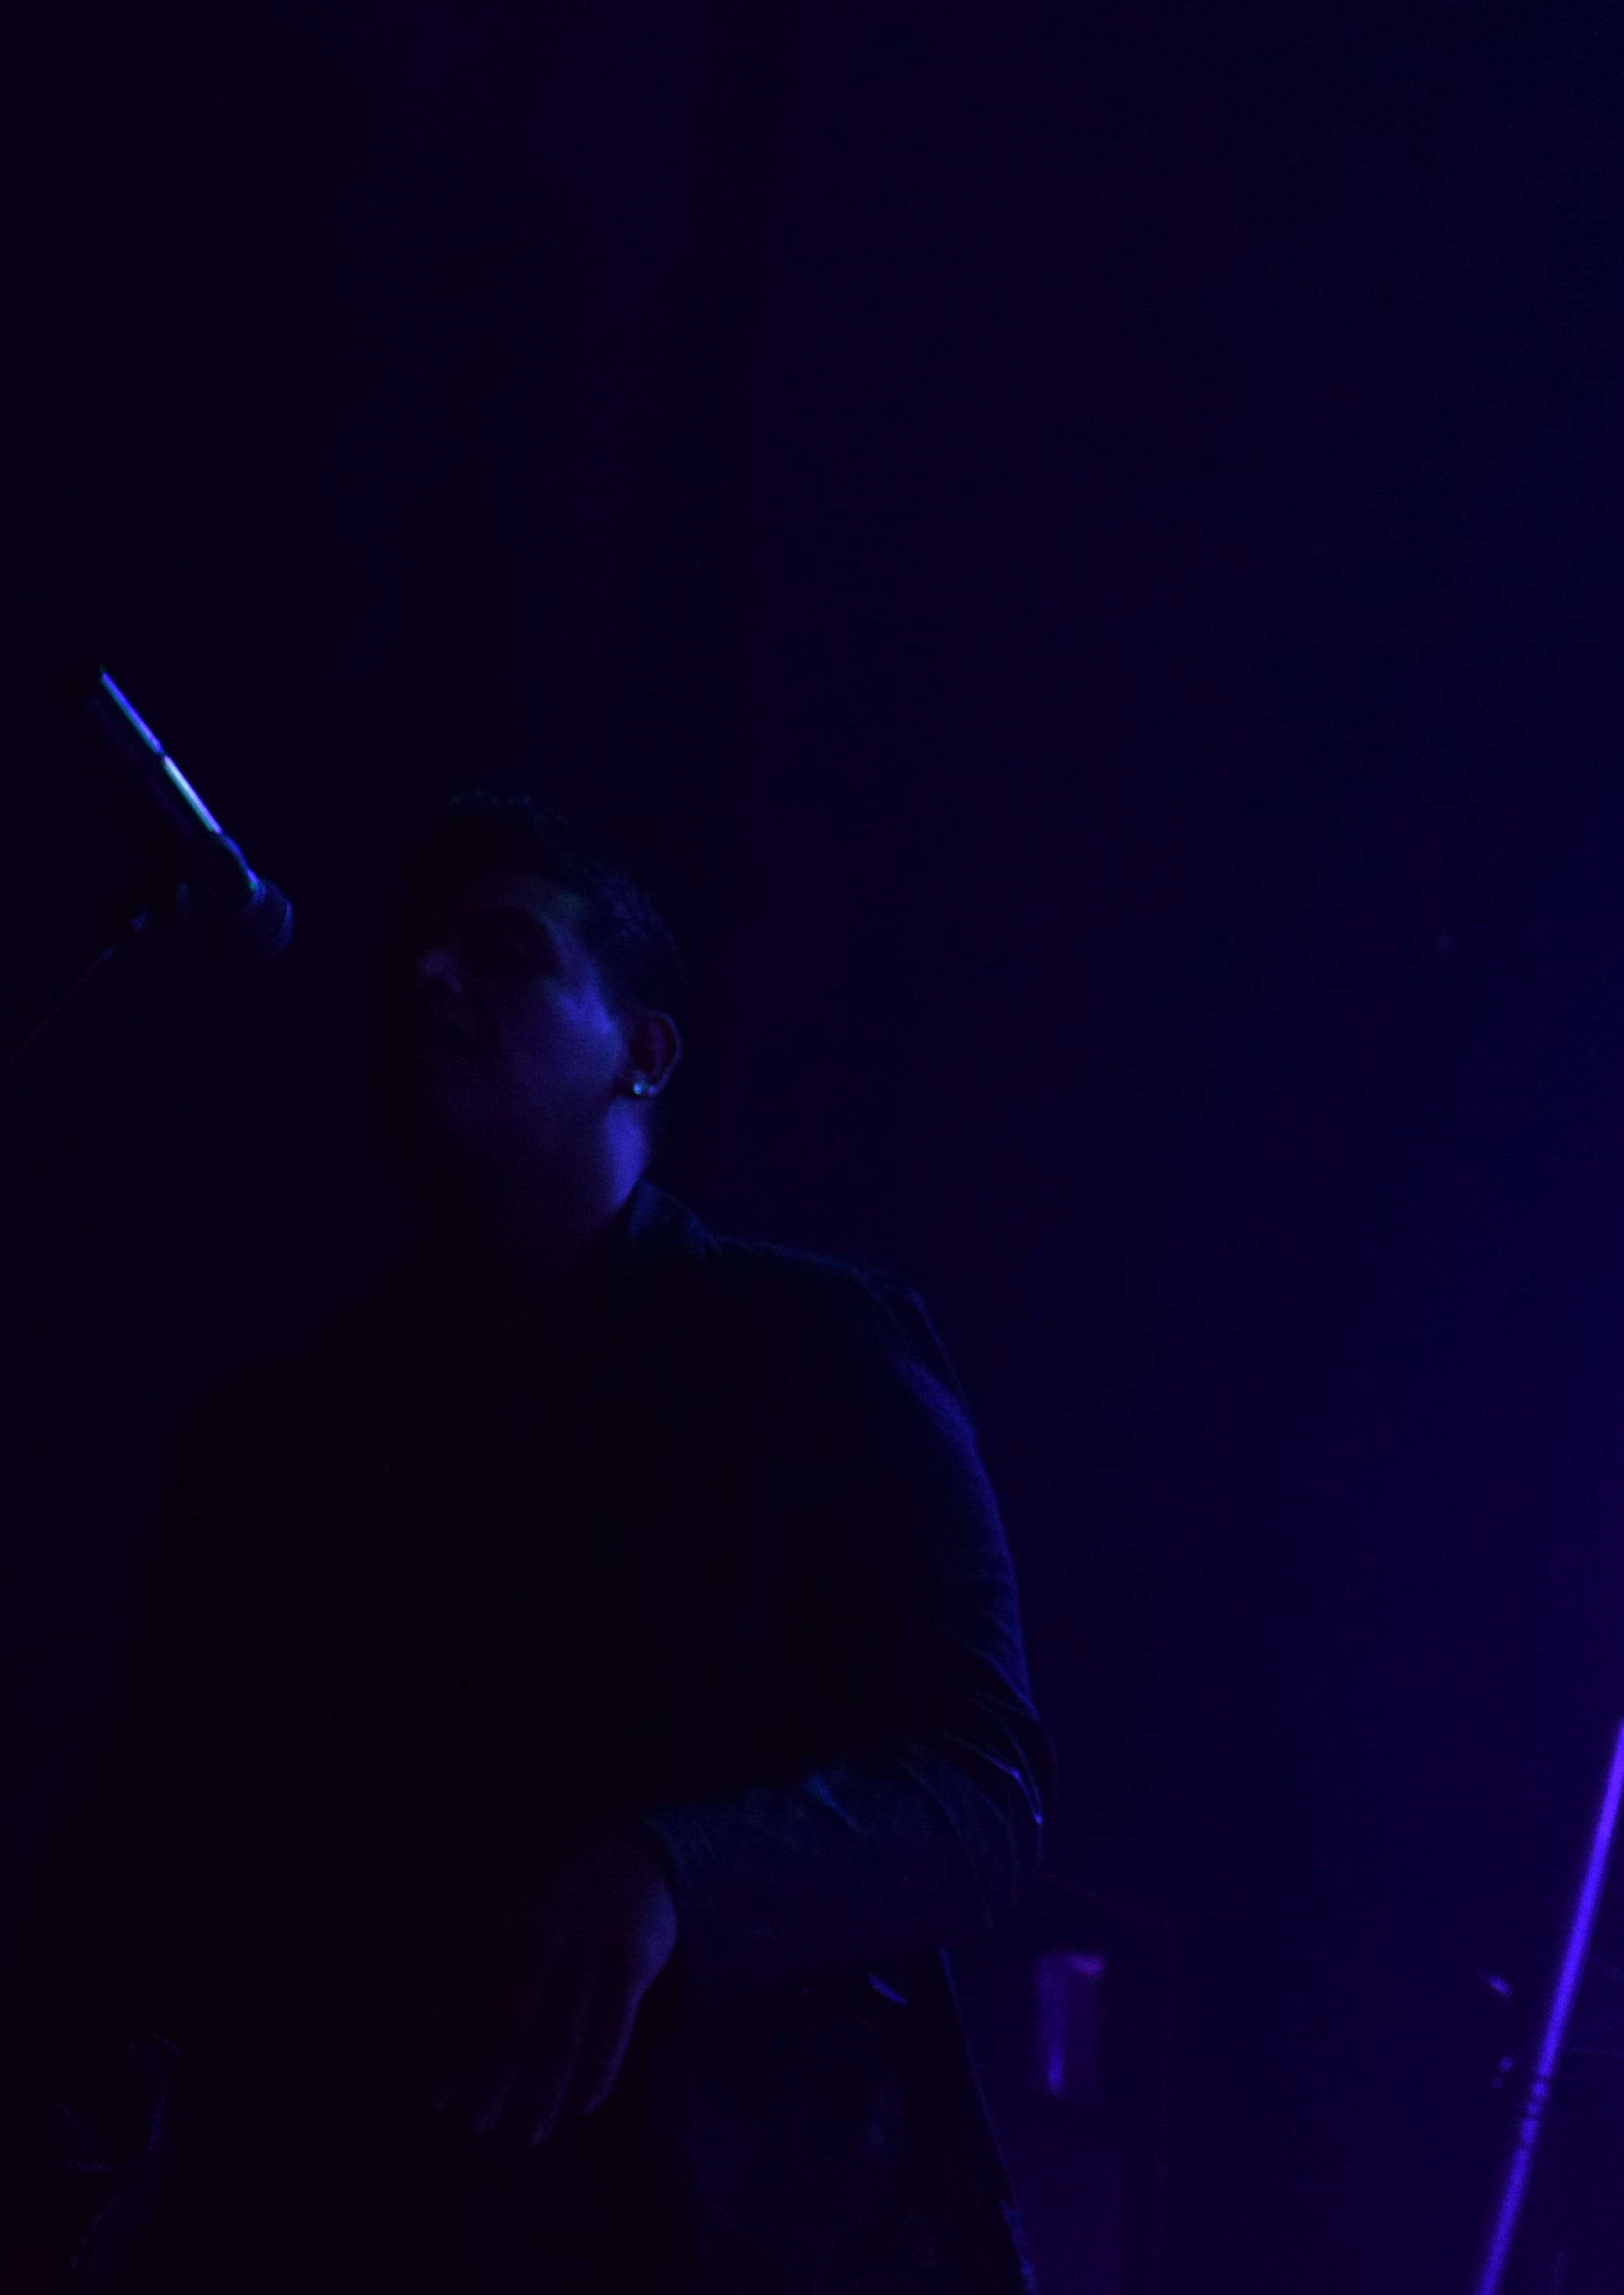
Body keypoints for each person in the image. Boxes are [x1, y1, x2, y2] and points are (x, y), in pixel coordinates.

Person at [21, 797, 1047, 2293]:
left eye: (499, 952)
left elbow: (985, 1787)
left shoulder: (813, 1345)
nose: (427, 977)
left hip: (714, 2224)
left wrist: (670, 1872)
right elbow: (163, 1850)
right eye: (411, 958)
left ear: (643, 1050)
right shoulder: (277, 1433)